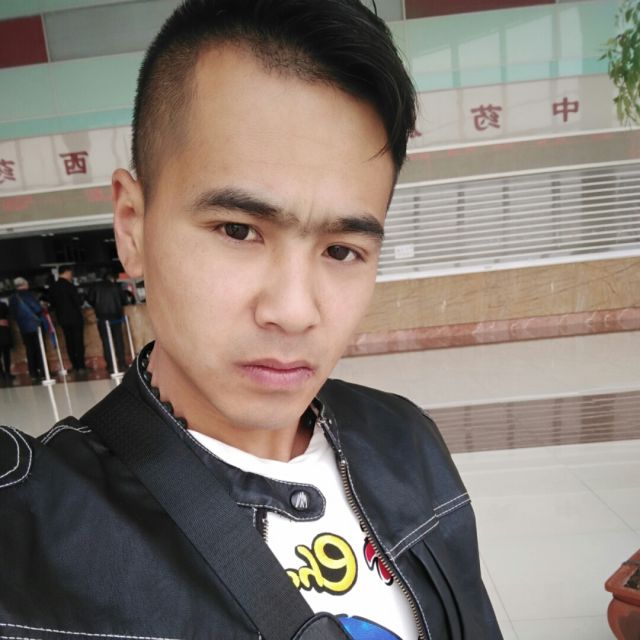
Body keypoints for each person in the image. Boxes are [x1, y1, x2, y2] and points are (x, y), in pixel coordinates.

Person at [0, 1, 503, 638]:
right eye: (238, 230)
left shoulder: (407, 442)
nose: (294, 311)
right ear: (132, 227)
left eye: (341, 250)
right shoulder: (34, 531)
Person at [49, 265, 87, 373]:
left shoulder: (53, 287)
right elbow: (78, 302)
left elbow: (52, 304)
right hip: (75, 318)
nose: (71, 275)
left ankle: (74, 365)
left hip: (62, 319)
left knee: (69, 342)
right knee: (78, 342)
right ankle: (81, 366)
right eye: (71, 273)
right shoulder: (70, 286)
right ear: (66, 272)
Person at [8, 276, 46, 382]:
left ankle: (33, 373)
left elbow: (12, 314)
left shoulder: (13, 298)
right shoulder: (30, 295)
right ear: (24, 284)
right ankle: (43, 371)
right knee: (39, 349)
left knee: (29, 349)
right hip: (35, 326)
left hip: (23, 327)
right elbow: (37, 309)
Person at [88, 271, 126, 373]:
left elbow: (90, 299)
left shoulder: (96, 286)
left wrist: (97, 306)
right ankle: (122, 363)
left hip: (102, 318)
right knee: (119, 340)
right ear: (112, 278)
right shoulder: (116, 286)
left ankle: (110, 365)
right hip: (116, 317)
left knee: (106, 342)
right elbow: (124, 300)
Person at [0, 299, 13, 382]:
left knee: (6, 353)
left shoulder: (3, 304)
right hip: (4, 332)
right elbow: (9, 315)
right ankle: (7, 373)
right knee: (6, 354)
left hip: (4, 332)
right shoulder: (3, 304)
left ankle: (2, 374)